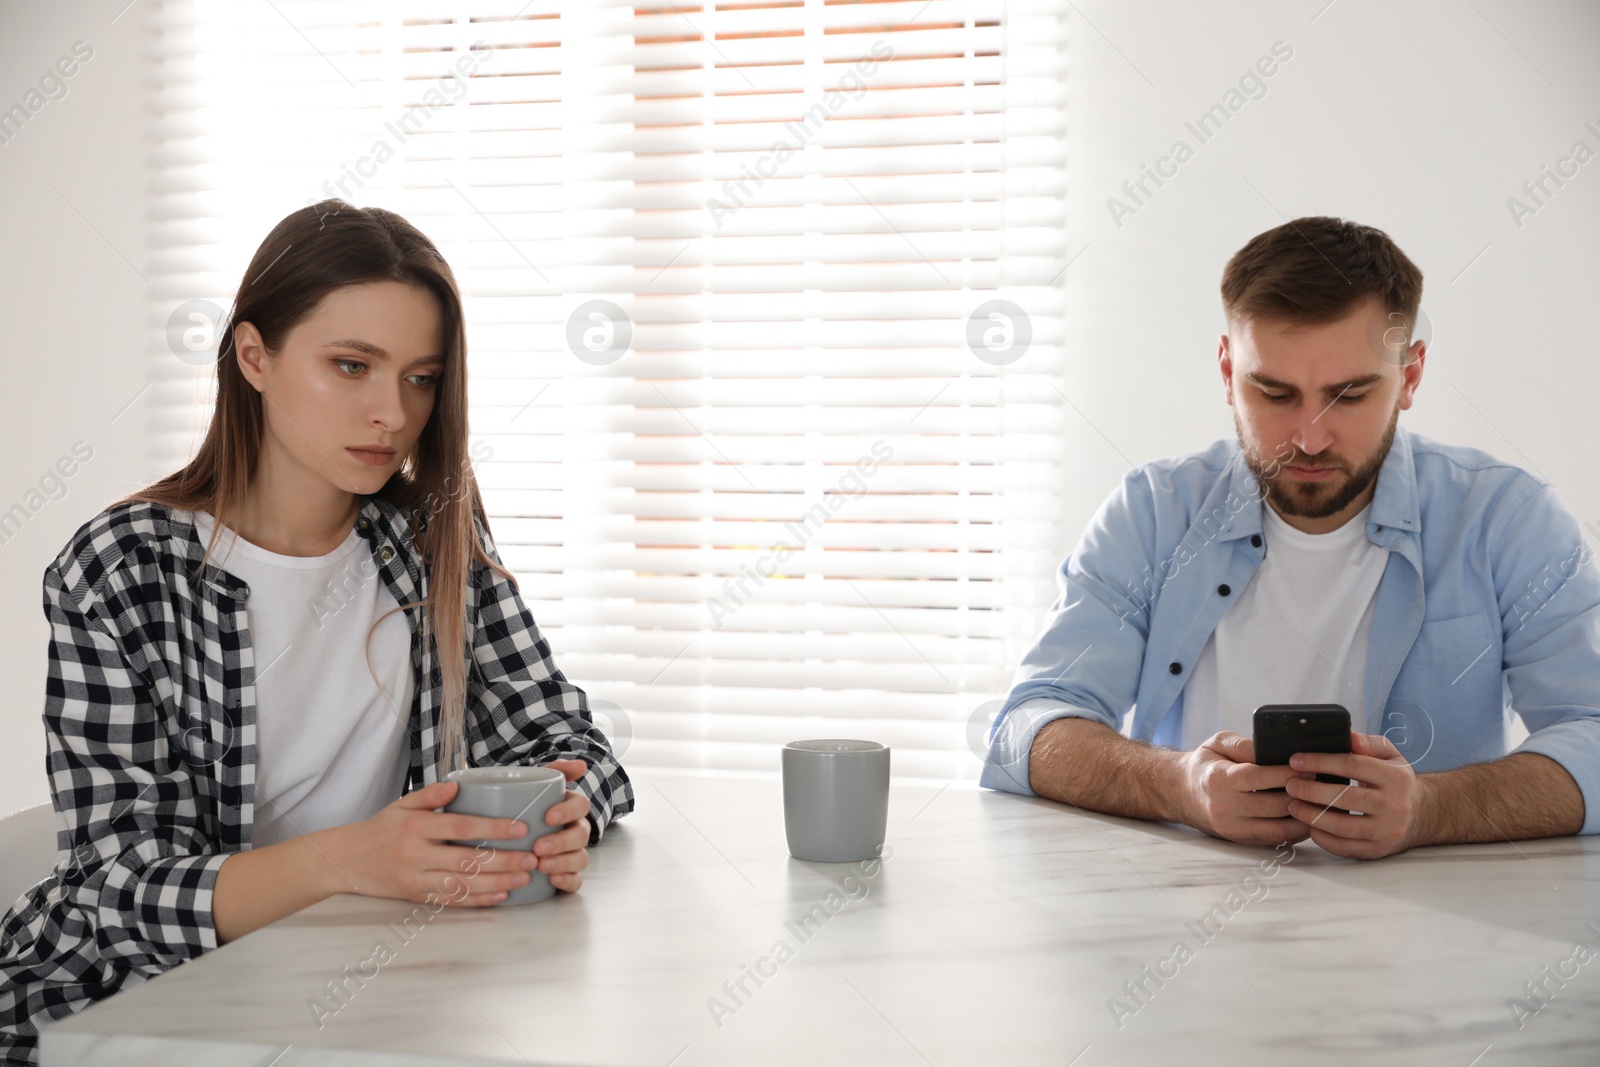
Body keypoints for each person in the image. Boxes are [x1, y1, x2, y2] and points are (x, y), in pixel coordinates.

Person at [0, 200, 634, 1063]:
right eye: (351, 365)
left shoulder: (433, 541)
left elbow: (574, 744)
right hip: (116, 1005)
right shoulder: (124, 567)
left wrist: (568, 816)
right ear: (254, 356)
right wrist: (356, 859)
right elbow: (115, 888)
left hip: (353, 990)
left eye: (420, 377)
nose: (392, 413)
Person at [981, 216, 1597, 859]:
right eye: (1274, 392)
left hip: (1434, 932)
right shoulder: (1153, 510)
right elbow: (1026, 729)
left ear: (1410, 377)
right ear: (1226, 370)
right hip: (1178, 918)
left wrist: (1432, 810)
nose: (1309, 437)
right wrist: (1177, 787)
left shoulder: (1507, 518)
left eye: (1350, 395)